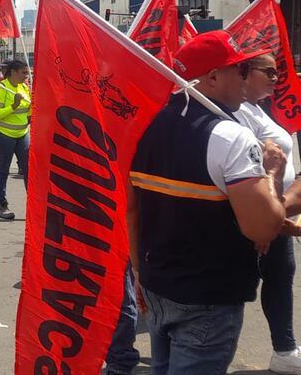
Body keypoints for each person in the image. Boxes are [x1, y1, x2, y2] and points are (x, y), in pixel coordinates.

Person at [129, 31, 286, 374]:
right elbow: (263, 226)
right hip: (208, 295)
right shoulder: (230, 136)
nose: (248, 79)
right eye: (241, 70)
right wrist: (273, 173)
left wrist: (139, 272)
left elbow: (133, 208)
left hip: (158, 282)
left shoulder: (146, 124)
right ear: (213, 78)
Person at [233, 53, 301, 374]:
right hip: (255, 211)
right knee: (235, 284)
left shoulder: (260, 108)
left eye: (277, 72)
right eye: (269, 72)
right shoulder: (231, 110)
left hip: (277, 210)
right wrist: (268, 216)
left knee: (281, 275)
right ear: (244, 73)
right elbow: (253, 167)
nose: (276, 78)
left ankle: (285, 349)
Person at [0, 59, 31, 221]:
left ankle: (33, 205)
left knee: (29, 171)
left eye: (27, 73)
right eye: (23, 73)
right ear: (13, 73)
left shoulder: (24, 87)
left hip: (23, 135)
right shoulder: (1, 89)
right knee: (3, 171)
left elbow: (29, 110)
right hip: (5, 135)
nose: (26, 76)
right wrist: (13, 106)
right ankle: (2, 205)